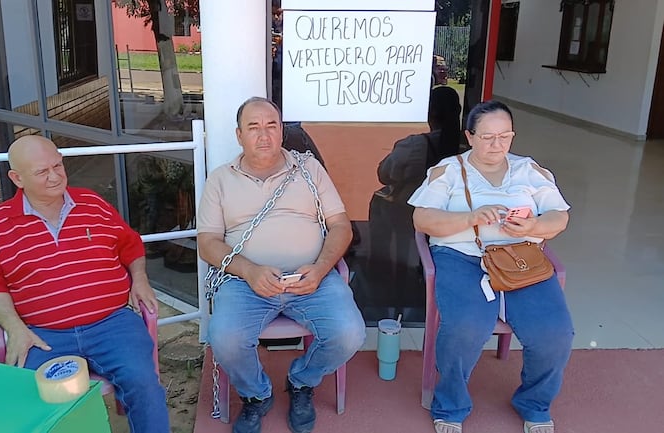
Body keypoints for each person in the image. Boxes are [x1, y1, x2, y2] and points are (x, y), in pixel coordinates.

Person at [0, 135, 170, 433]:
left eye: (58, 165)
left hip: (112, 324)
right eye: (42, 171)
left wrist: (140, 278)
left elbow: (130, 246)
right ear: (17, 178)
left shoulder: (92, 203)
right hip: (42, 335)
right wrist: (15, 329)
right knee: (40, 398)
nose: (54, 176)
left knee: (142, 381)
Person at [197, 97, 366, 433]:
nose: (264, 135)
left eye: (271, 126)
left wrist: (319, 269)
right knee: (224, 338)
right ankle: (256, 394)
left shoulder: (309, 168)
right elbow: (207, 243)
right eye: (253, 127)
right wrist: (249, 271)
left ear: (282, 132)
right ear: (239, 135)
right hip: (246, 283)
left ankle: (301, 381)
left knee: (349, 333)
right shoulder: (220, 180)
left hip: (311, 278)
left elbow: (341, 226)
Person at [408, 100, 573, 433]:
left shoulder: (529, 169)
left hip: (522, 257)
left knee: (555, 333)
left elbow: (559, 217)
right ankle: (451, 402)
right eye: (487, 137)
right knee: (465, 327)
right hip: (461, 257)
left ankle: (534, 402)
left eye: (505, 136)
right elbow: (422, 218)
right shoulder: (448, 170)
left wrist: (533, 228)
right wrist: (468, 219)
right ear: (470, 136)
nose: (497, 145)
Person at [368, 86, 461, 306]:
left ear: (429, 113)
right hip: (449, 217)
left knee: (379, 203)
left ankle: (377, 273)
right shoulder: (467, 148)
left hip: (405, 211)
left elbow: (384, 174)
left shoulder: (414, 145)